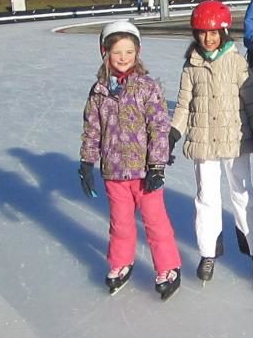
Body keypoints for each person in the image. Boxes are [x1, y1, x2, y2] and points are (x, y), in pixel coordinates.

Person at [78, 20, 182, 301]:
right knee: (120, 224)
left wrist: (157, 166)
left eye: (129, 52)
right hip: (113, 172)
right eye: (117, 52)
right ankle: (121, 261)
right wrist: (87, 162)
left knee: (155, 222)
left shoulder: (147, 87)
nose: (123, 58)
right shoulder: (99, 91)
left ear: (138, 52)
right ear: (105, 53)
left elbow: (159, 127)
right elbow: (92, 129)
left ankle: (169, 266)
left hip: (144, 172)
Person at [169, 0, 253, 285]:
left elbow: (251, 101)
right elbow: (183, 105)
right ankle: (208, 252)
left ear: (224, 33)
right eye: (202, 33)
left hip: (234, 140)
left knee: (242, 193)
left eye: (213, 33)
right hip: (203, 142)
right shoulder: (191, 66)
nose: (208, 38)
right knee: (206, 197)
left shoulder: (236, 62)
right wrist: (172, 134)